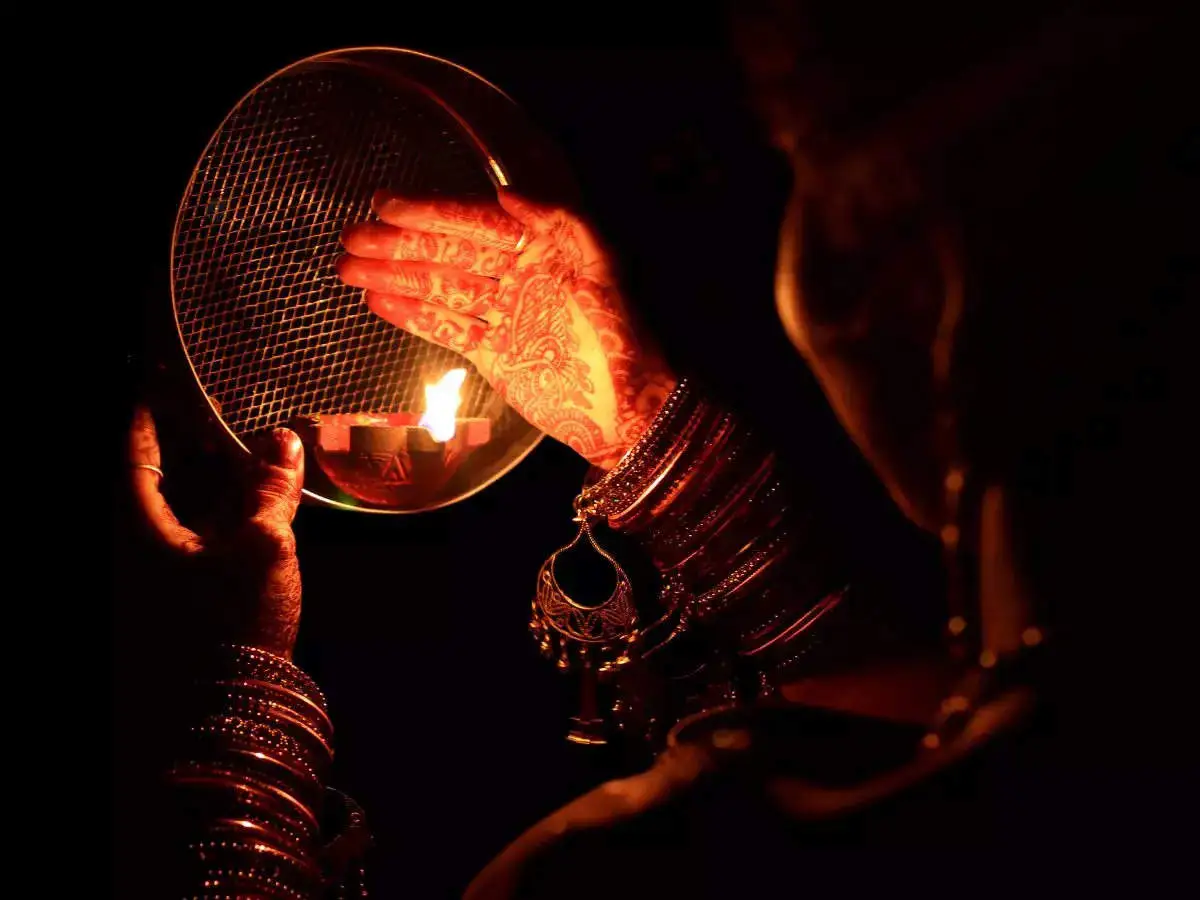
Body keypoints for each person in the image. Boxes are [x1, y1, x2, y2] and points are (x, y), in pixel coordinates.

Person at [119, 4, 1191, 897]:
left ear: (899, 281)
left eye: (809, 175)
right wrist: (633, 417)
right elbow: (908, 698)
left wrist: (220, 704)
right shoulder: (1130, 750)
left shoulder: (666, 865)